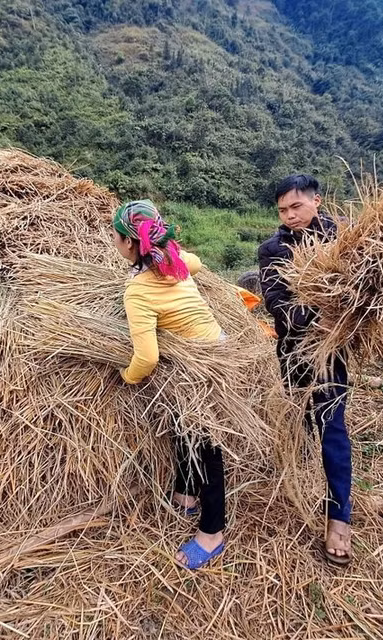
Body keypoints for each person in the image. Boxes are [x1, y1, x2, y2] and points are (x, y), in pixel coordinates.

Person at [112, 199, 226, 571]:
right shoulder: (175, 262)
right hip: (211, 352)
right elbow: (197, 263)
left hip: (206, 371)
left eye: (116, 237)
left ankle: (213, 533)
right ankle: (186, 493)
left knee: (208, 447)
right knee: (183, 428)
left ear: (130, 244)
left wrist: (125, 377)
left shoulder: (138, 292)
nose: (114, 242)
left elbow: (147, 358)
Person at [257, 174, 353, 566]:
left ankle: (339, 518)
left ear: (316, 201)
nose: (290, 215)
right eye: (283, 210)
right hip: (293, 351)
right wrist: (325, 303)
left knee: (331, 427)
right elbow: (281, 311)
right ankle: (294, 475)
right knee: (298, 416)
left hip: (332, 352)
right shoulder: (272, 249)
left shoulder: (346, 239)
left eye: (296, 206)